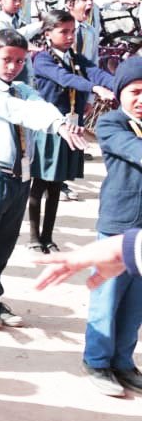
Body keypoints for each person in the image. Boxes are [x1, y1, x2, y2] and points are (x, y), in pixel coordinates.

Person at [0, 29, 87, 329]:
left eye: (19, 61)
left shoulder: (21, 88)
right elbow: (18, 112)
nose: (12, 66)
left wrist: (60, 122)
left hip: (20, 178)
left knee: (3, 246)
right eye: (6, 59)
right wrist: (55, 126)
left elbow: (39, 106)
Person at [70, 57, 142, 396]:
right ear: (121, 93)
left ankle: (123, 362)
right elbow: (135, 150)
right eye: (135, 92)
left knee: (135, 303)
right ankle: (97, 361)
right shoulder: (113, 123)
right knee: (107, 296)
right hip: (119, 224)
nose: (141, 100)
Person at [28, 10, 114, 254]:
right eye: (63, 32)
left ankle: (48, 236)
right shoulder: (43, 59)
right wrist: (95, 88)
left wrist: (121, 83)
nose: (69, 36)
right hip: (49, 128)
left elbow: (96, 72)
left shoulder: (74, 57)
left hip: (71, 126)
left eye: (72, 32)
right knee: (40, 183)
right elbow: (65, 78)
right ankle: (34, 237)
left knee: (57, 183)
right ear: (47, 34)